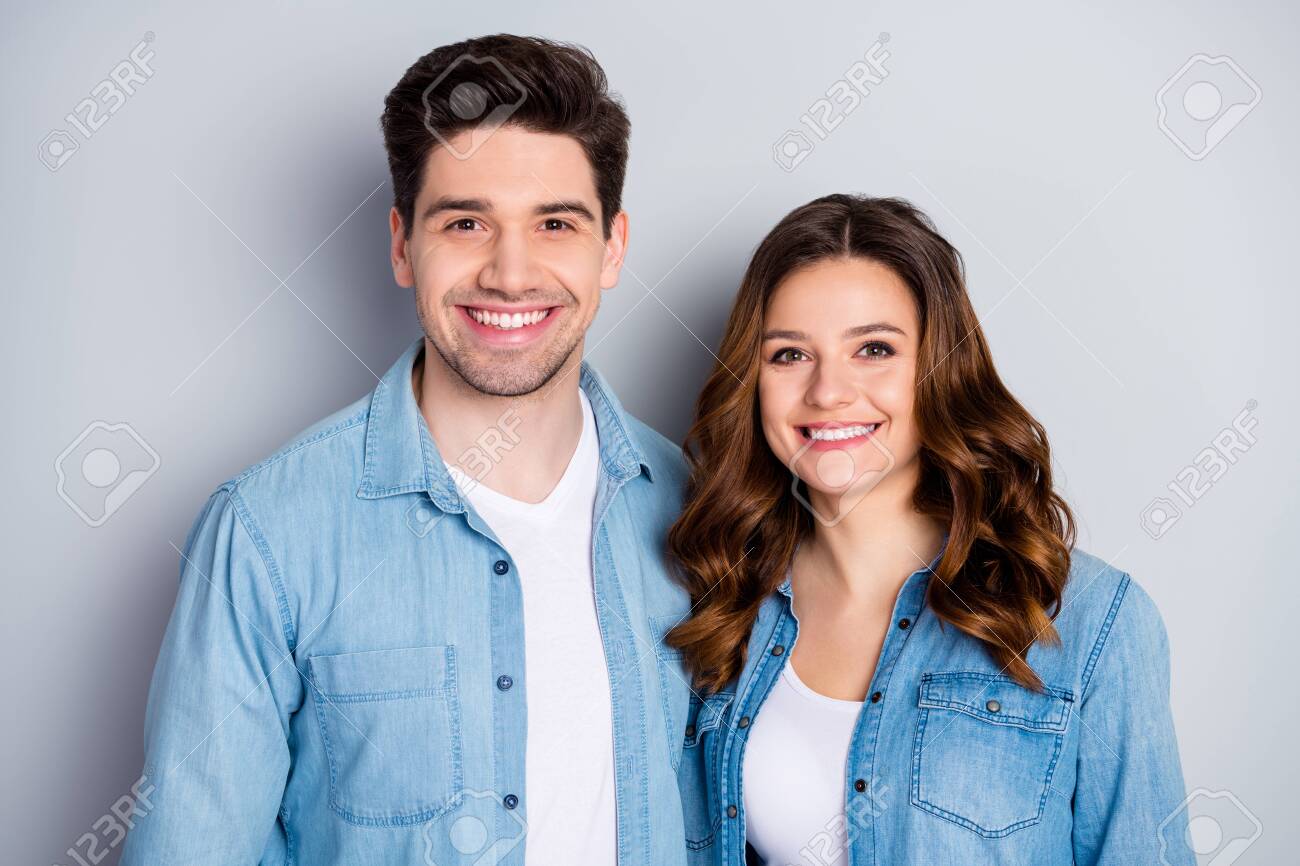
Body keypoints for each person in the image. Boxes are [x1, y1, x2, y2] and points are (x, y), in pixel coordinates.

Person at [122, 34, 694, 866]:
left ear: (611, 247)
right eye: (466, 222)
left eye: (555, 223)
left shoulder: (701, 507)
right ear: (401, 245)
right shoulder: (268, 532)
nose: (510, 272)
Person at [666, 194, 1193, 865]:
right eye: (790, 355)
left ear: (939, 371)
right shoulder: (721, 604)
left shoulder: (1092, 622)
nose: (828, 391)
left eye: (875, 349)